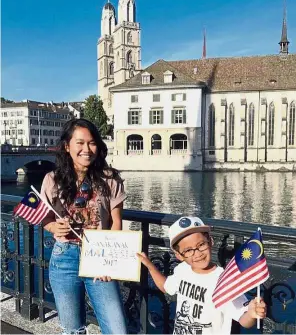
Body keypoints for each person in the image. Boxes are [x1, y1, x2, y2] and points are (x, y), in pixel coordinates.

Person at [40, 118, 128, 334]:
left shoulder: (110, 179)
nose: (86, 149)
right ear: (67, 146)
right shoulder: (52, 179)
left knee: (117, 329)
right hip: (64, 256)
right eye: (80, 143)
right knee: (72, 330)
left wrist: (110, 261)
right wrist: (52, 227)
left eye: (92, 143)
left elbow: (117, 221)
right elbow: (44, 217)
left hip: (99, 255)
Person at [137, 216, 267, 335]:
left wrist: (251, 313)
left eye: (201, 245)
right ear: (179, 255)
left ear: (210, 242)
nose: (197, 253)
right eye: (188, 250)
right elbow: (165, 286)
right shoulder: (182, 270)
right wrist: (149, 265)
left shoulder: (224, 279)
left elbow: (243, 320)